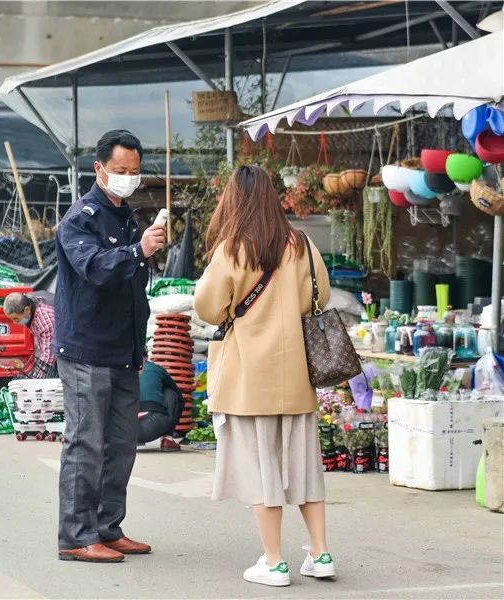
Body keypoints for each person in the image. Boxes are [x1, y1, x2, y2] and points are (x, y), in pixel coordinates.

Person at [194, 165, 333, 588]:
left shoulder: (232, 249)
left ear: (233, 201)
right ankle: (320, 553)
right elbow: (321, 298)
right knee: (305, 468)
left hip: (248, 378)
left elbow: (206, 307)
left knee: (262, 472)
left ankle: (274, 562)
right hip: (296, 378)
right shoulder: (303, 244)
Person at [53, 130, 166, 563]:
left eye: (134, 172)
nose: (128, 178)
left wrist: (139, 349)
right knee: (86, 443)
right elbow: (95, 268)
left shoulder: (125, 216)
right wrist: (139, 251)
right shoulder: (78, 219)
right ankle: (76, 536)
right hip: (86, 350)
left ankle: (107, 527)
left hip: (123, 350)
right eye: (120, 171)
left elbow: (133, 287)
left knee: (121, 443)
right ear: (99, 169)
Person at [3, 292, 56, 378]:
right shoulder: (29, 301)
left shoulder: (44, 319)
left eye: (16, 318)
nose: (14, 322)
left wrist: (36, 380)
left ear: (27, 309)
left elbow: (49, 354)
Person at [137, 360, 182, 452]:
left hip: (123, 430)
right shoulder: (155, 368)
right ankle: (168, 440)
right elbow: (180, 399)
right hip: (152, 427)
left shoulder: (121, 369)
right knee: (170, 392)